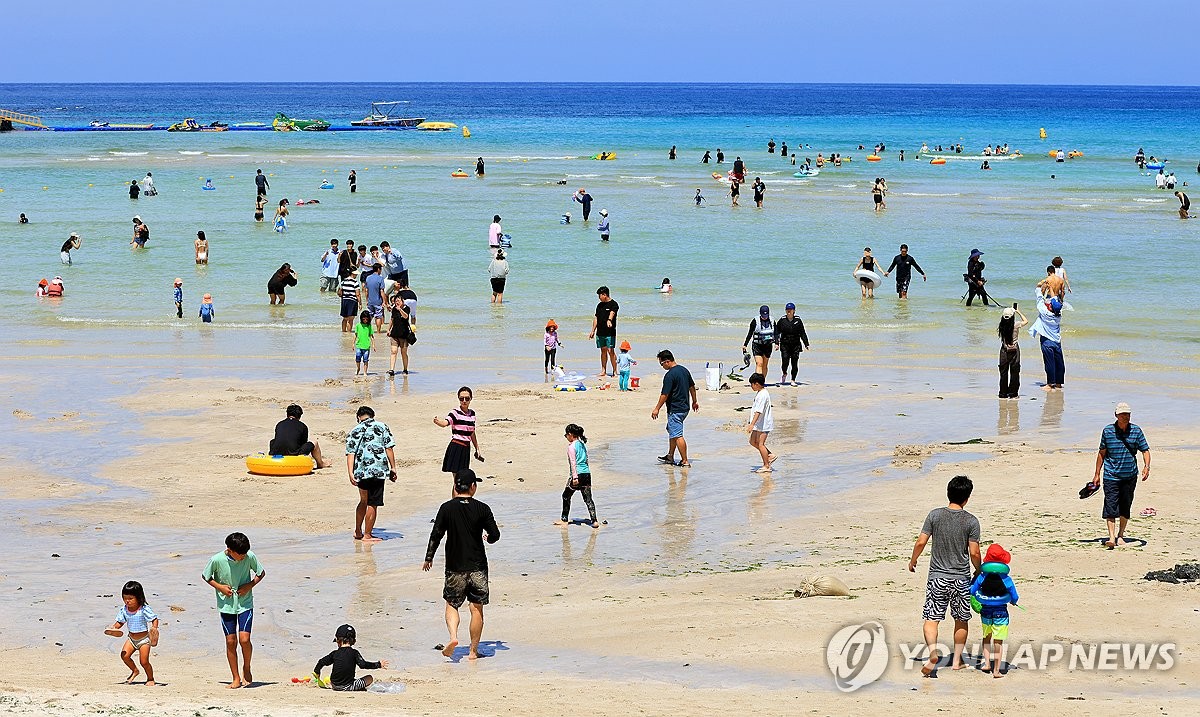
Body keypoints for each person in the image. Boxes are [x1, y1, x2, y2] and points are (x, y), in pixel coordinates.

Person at [422, 469, 501, 661]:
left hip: (455, 566)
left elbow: (436, 534)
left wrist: (429, 557)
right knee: (476, 608)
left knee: (452, 604)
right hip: (478, 566)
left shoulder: (446, 508)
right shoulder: (483, 508)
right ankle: (473, 652)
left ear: (456, 486)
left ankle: (453, 638)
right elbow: (495, 535)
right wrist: (488, 538)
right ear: (473, 486)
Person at [907, 475, 981, 676]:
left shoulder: (935, 515)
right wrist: (979, 569)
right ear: (967, 498)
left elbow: (921, 542)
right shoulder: (971, 521)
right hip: (961, 579)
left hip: (937, 577)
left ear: (948, 493)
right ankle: (957, 661)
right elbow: (974, 552)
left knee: (931, 618)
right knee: (961, 619)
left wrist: (913, 560)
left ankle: (933, 653)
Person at [201, 532, 265, 689]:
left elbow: (260, 573)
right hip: (226, 605)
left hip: (245, 603)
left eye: (245, 554)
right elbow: (206, 576)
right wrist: (220, 587)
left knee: (244, 639)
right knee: (231, 641)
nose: (243, 557)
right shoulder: (216, 560)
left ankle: (247, 667)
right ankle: (235, 678)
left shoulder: (249, 556)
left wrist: (249, 585)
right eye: (240, 554)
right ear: (229, 550)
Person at [1090, 402, 1151, 549]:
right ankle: (1111, 537)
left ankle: (1121, 535)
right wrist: (1097, 474)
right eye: (1123, 414)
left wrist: (1147, 467)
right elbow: (1102, 453)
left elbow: (1145, 450)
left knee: (1125, 505)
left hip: (1130, 476)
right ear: (1116, 415)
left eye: (1128, 414)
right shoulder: (1108, 431)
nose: (1126, 417)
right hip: (1111, 475)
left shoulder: (1136, 431)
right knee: (1110, 505)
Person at [344, 405, 396, 542]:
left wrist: (350, 473)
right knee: (373, 503)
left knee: (363, 500)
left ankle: (357, 530)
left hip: (361, 471)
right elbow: (389, 448)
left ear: (358, 418)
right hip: (378, 470)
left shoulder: (355, 430)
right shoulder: (382, 426)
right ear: (373, 415)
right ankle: (367, 534)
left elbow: (350, 453)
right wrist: (393, 467)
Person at [969, 544, 1019, 678]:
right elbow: (1014, 596)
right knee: (998, 641)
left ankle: (987, 664)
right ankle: (996, 670)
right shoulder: (1006, 579)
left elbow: (972, 591)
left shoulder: (982, 577)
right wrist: (1013, 601)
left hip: (985, 611)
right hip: (1001, 612)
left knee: (986, 637)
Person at [103, 580, 159, 685]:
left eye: (130, 598)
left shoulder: (143, 609)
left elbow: (154, 618)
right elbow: (120, 622)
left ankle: (150, 679)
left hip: (144, 640)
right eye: (125, 598)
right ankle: (135, 670)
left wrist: (154, 628)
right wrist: (114, 628)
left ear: (138, 597)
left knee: (144, 662)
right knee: (124, 656)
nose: (127, 601)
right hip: (131, 639)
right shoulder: (124, 610)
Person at [650, 350, 698, 467]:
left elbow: (664, 395)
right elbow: (692, 387)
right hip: (685, 408)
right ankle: (670, 456)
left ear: (667, 361)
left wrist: (657, 408)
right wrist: (694, 401)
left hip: (675, 409)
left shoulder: (670, 375)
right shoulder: (684, 370)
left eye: (662, 364)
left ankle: (685, 461)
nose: (662, 367)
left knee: (677, 434)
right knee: (672, 430)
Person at [551, 423, 601, 528]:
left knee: (566, 496)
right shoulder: (582, 445)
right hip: (587, 474)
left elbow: (573, 463)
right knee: (588, 499)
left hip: (577, 474)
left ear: (570, 434)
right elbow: (586, 460)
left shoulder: (571, 447)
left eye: (566, 435)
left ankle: (564, 519)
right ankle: (594, 520)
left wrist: (574, 477)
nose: (566, 437)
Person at [314, 624, 388, 691]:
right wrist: (378, 665)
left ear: (337, 640)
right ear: (354, 641)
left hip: (334, 685)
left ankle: (341, 683)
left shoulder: (335, 653)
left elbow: (321, 662)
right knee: (369, 678)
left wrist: (317, 672)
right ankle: (356, 687)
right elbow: (363, 665)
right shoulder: (354, 653)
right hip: (348, 686)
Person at [434, 387, 484, 476]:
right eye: (461, 399)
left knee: (463, 479)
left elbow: (472, 433)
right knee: (458, 480)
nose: (464, 401)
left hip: (466, 448)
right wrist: (438, 422)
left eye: (467, 398)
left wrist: (477, 448)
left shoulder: (472, 414)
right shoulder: (455, 413)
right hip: (456, 447)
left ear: (471, 399)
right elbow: (446, 423)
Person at [270, 403, 330, 468]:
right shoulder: (303, 426)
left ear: (287, 414)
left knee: (273, 441)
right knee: (314, 443)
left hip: (276, 453)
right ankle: (320, 464)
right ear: (299, 416)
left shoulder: (279, 424)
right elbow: (303, 444)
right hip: (294, 455)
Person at [1030, 296, 1064, 390]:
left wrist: (1039, 288)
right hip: (1057, 342)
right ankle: (1058, 383)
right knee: (1059, 363)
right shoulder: (1058, 315)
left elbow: (1039, 301)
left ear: (1051, 308)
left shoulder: (1045, 313)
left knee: (1049, 363)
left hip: (1047, 342)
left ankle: (1050, 384)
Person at [774, 302, 810, 386]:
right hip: (785, 345)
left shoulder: (798, 320)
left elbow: (802, 333)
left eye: (790, 310)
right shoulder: (782, 320)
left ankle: (793, 380)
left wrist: (806, 343)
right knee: (785, 361)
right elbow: (776, 332)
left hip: (796, 345)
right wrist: (776, 343)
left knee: (794, 363)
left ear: (794, 311)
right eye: (787, 310)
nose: (788, 311)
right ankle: (784, 373)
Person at [746, 373, 775, 472]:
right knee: (752, 441)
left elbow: (759, 411)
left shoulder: (763, 394)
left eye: (752, 384)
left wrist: (752, 424)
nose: (751, 386)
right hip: (759, 423)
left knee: (760, 444)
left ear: (757, 384)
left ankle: (766, 466)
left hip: (763, 424)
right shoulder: (760, 392)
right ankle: (770, 455)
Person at [588, 286, 619, 378]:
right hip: (600, 332)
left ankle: (615, 371)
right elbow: (596, 318)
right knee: (603, 351)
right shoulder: (599, 305)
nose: (599, 297)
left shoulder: (614, 304)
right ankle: (603, 370)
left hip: (610, 332)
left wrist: (609, 320)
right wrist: (593, 330)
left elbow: (612, 313)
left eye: (600, 295)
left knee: (611, 351)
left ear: (604, 295)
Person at [997, 306, 1027, 399]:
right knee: (1015, 372)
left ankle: (1003, 393)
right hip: (1014, 350)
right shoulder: (1016, 324)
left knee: (1003, 372)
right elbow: (1026, 321)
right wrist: (1018, 311)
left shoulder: (1001, 326)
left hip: (1004, 349)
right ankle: (1013, 393)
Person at [742, 305, 775, 377]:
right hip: (757, 345)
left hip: (768, 345)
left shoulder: (772, 321)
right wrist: (745, 344)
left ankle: (762, 382)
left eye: (766, 315)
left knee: (764, 365)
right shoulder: (755, 321)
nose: (765, 316)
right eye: (763, 315)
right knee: (759, 363)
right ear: (760, 313)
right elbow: (750, 333)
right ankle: (758, 382)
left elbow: (776, 333)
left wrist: (777, 343)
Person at [386, 293, 413, 377]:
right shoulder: (394, 309)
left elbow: (406, 316)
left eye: (398, 301)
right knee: (393, 351)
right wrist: (388, 329)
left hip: (404, 335)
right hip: (394, 334)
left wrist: (400, 310)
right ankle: (391, 370)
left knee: (403, 353)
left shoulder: (407, 308)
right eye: (395, 301)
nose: (397, 302)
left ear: (402, 301)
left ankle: (405, 369)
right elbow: (392, 319)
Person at [364, 264, 386, 332]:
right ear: (378, 269)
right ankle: (378, 331)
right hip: (378, 301)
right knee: (378, 316)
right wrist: (384, 301)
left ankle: (367, 329)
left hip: (370, 301)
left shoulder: (368, 278)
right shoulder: (380, 278)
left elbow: (366, 291)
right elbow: (382, 291)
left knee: (370, 316)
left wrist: (367, 300)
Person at [353, 311, 374, 375]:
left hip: (366, 346)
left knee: (365, 360)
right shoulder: (358, 325)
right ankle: (358, 368)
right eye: (364, 319)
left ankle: (365, 372)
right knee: (358, 358)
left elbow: (371, 336)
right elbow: (355, 335)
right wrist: (353, 344)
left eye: (367, 319)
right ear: (361, 318)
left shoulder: (369, 326)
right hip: (359, 345)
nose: (365, 320)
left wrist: (373, 345)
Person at [339, 268, 360, 333]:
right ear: (353, 273)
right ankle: (348, 333)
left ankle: (343, 332)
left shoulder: (343, 281)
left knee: (345, 318)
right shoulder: (355, 282)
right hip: (352, 301)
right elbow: (358, 294)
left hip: (344, 301)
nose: (356, 275)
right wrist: (360, 303)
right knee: (350, 319)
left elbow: (339, 293)